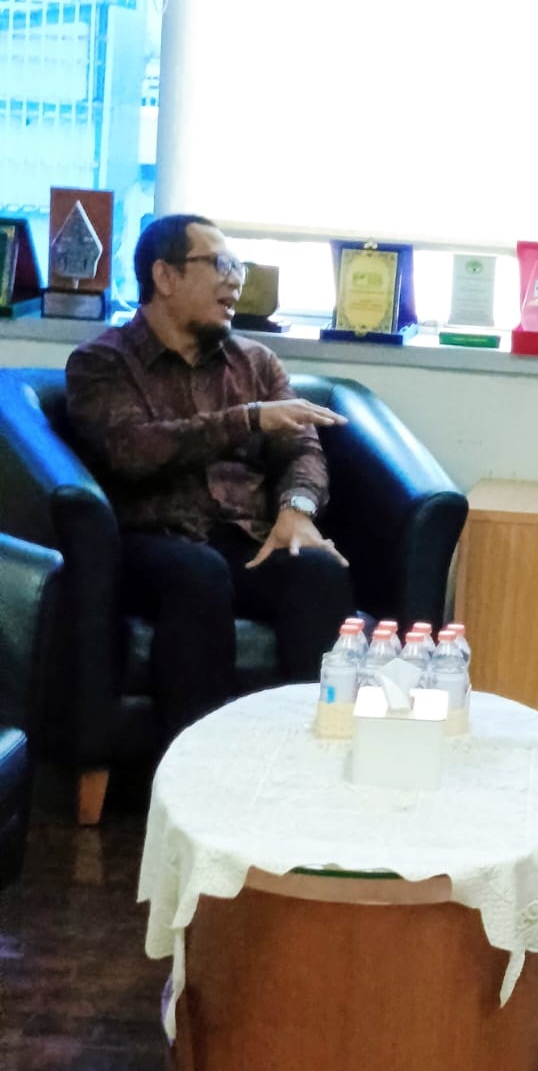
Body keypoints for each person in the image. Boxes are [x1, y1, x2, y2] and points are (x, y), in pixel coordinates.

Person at [65, 213, 355, 742]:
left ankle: (315, 756)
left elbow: (302, 448)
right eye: (220, 264)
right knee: (197, 574)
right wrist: (246, 419)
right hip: (153, 540)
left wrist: (297, 510)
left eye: (238, 266)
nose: (235, 281)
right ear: (165, 276)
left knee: (317, 570)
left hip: (243, 538)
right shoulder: (101, 363)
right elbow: (132, 451)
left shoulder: (256, 362)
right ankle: (196, 763)